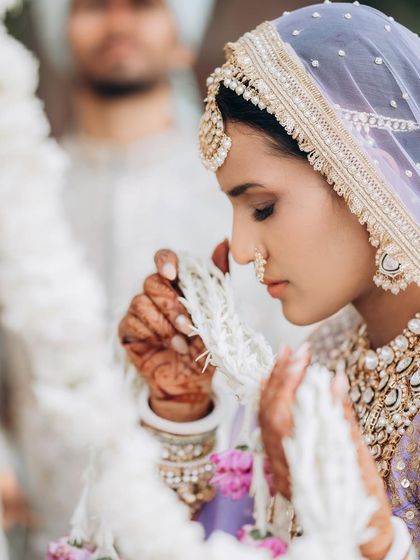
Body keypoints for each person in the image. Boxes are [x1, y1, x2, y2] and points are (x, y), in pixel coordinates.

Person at [118, 2, 419, 558]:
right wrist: (180, 414)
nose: (241, 249)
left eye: (261, 207)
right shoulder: (324, 359)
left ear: (367, 167)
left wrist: (366, 534)